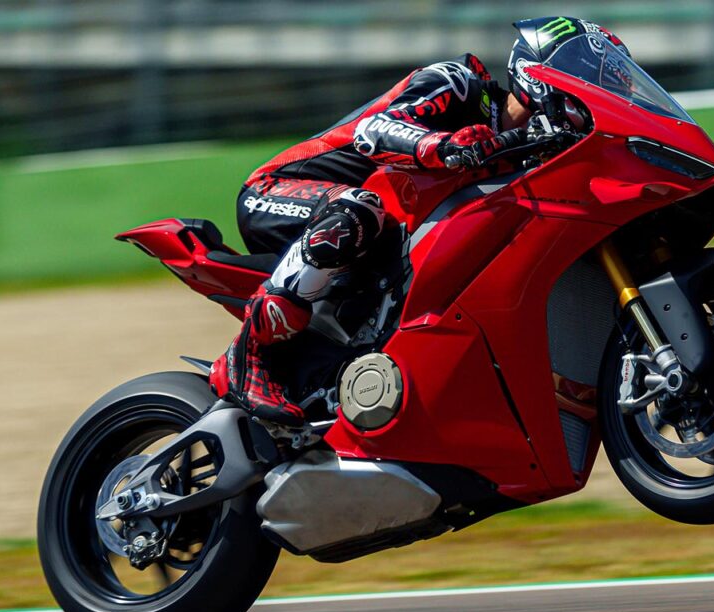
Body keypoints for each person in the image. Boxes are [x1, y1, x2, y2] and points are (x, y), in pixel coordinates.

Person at [210, 16, 631, 428]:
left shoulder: (532, 157)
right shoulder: (458, 83)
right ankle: (248, 356)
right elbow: (373, 131)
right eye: (591, 80)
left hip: (378, 243)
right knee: (359, 209)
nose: (598, 93)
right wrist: (442, 145)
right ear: (542, 74)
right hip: (280, 191)